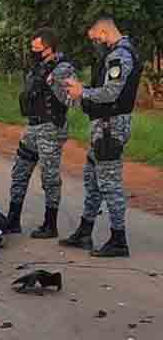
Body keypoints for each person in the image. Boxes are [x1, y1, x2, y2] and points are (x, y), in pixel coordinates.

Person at [62, 16, 143, 257]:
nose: (96, 42)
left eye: (96, 38)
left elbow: (110, 93)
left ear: (105, 31)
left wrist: (82, 92)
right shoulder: (115, 53)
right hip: (103, 126)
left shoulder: (121, 56)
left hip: (111, 127)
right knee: (92, 178)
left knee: (109, 183)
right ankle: (85, 231)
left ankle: (119, 241)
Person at [2, 28, 75, 238]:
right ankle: (13, 220)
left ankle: (50, 225)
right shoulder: (38, 67)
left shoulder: (62, 69)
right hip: (33, 127)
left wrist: (54, 83)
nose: (32, 51)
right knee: (20, 171)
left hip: (51, 128)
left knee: (49, 176)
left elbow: (70, 99)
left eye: (36, 48)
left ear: (48, 48)